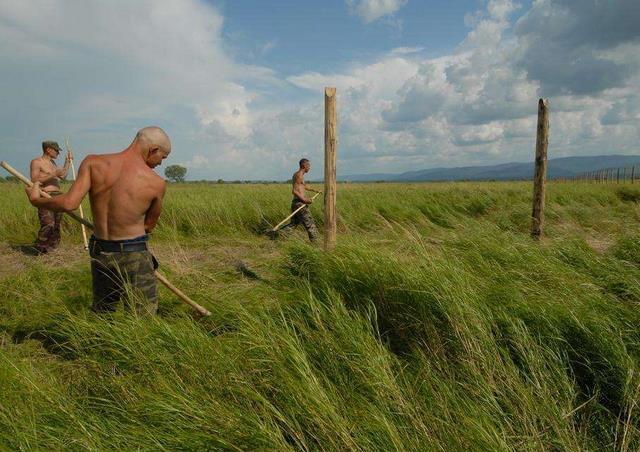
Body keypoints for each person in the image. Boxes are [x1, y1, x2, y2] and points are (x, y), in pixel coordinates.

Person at [25, 127, 170, 316]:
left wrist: (37, 200)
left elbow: (69, 202)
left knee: (103, 312)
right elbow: (149, 226)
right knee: (143, 315)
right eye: (163, 157)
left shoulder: (93, 163)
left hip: (102, 252)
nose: (160, 163)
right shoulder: (156, 183)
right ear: (153, 149)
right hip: (134, 254)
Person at [30, 140, 72, 253]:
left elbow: (63, 176)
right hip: (45, 195)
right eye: (56, 151)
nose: (58, 153)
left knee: (56, 225)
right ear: (48, 149)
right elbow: (34, 180)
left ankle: (52, 249)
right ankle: (40, 247)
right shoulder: (36, 162)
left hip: (57, 195)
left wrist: (67, 162)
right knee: (48, 223)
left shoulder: (53, 163)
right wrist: (53, 174)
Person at [280, 158, 320, 242]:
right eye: (308, 165)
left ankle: (280, 236)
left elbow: (303, 186)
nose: (309, 167)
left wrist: (315, 190)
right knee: (310, 224)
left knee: (293, 223)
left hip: (296, 203)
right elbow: (294, 191)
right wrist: (305, 200)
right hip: (300, 204)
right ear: (304, 165)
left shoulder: (298, 175)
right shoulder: (299, 175)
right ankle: (315, 244)